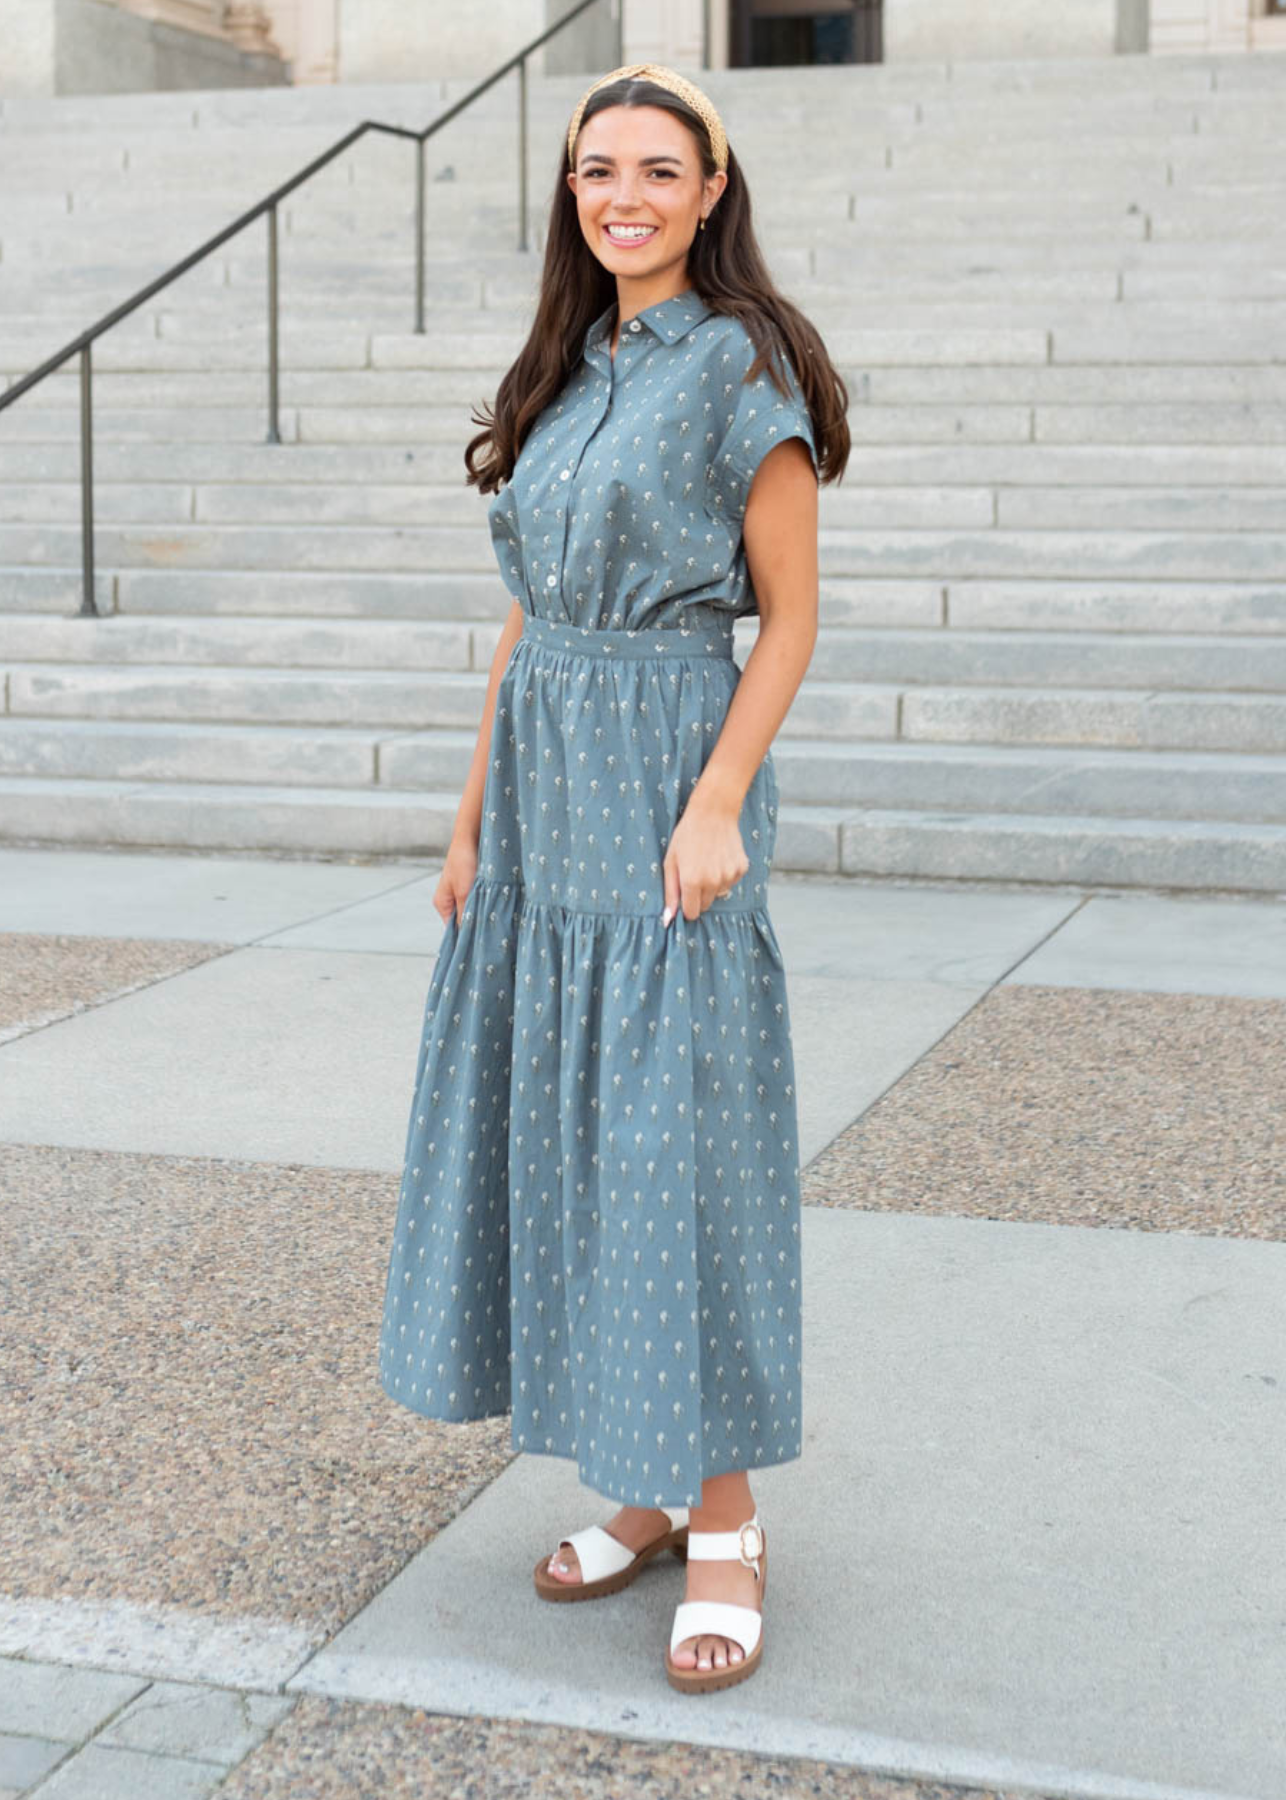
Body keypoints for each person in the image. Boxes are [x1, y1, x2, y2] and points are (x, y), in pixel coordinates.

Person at [378, 61, 849, 1695]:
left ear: (712, 191)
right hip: (544, 793)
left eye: (659, 168)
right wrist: (464, 821)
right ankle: (640, 1492)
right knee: (571, 1140)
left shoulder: (744, 363)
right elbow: (519, 620)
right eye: (598, 168)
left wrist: (716, 799)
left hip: (663, 773)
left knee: (669, 1151)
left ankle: (724, 1523)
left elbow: (785, 614)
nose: (625, 193)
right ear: (572, 189)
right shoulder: (569, 366)